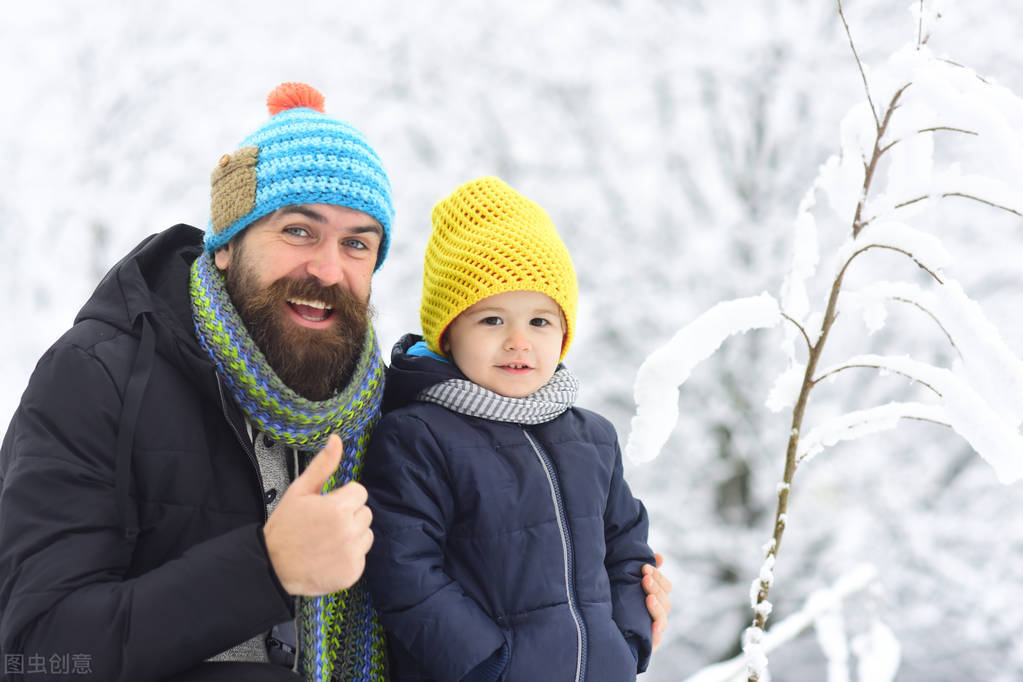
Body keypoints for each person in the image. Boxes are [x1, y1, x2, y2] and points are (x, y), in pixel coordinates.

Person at [0, 85, 671, 682]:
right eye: (298, 231)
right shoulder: (100, 376)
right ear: (227, 242)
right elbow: (31, 652)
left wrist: (608, 614)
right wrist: (264, 568)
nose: (327, 268)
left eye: (357, 244)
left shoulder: (385, 410)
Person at [363, 176, 658, 681]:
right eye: (492, 321)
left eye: (540, 321)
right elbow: (403, 569)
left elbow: (628, 549)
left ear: (564, 333)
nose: (519, 342)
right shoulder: (419, 435)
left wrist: (626, 643)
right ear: (449, 334)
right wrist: (489, 664)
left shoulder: (593, 439)